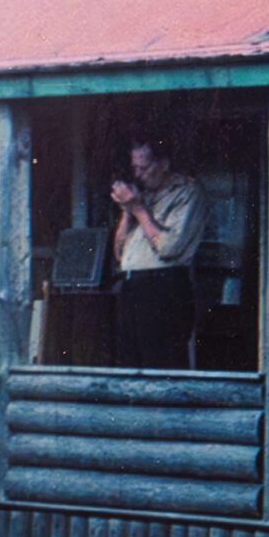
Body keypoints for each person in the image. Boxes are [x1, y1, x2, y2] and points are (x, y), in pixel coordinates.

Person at [111, 139, 203, 369]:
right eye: (135, 168)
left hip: (164, 288)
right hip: (132, 287)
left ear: (163, 163)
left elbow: (169, 248)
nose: (139, 175)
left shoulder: (186, 193)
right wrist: (126, 212)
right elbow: (119, 254)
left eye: (145, 167)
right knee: (130, 367)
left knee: (163, 366)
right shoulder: (143, 195)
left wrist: (139, 210)